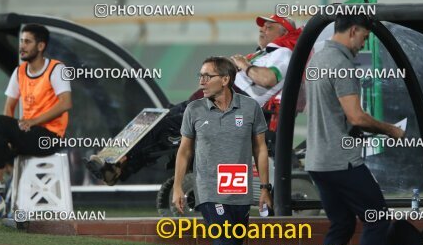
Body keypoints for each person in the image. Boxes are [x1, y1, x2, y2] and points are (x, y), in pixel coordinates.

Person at [87, 14, 301, 185]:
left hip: (233, 106)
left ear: (285, 33)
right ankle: (118, 164)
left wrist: (243, 65)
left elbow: (268, 78)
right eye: (263, 26)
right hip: (221, 99)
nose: (262, 29)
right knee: (159, 119)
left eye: (269, 26)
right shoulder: (264, 55)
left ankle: (117, 163)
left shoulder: (283, 54)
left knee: (165, 124)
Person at [305, 14, 405, 245]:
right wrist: (391, 130)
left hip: (317, 161)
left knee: (342, 224)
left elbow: (328, 111)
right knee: (378, 217)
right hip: (341, 161)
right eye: (364, 37)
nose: (363, 43)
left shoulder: (317, 60)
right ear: (352, 31)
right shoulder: (341, 64)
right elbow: (356, 117)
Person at [172, 56, 272, 245]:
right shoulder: (194, 109)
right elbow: (184, 151)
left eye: (208, 76)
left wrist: (265, 189)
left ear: (225, 80)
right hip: (209, 192)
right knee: (225, 242)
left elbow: (260, 149)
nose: (202, 81)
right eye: (200, 76)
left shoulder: (251, 107)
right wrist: (178, 187)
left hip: (240, 191)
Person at [0, 24, 72, 194]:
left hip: (49, 138)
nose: (22, 46)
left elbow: (66, 103)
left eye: (27, 42)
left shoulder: (57, 69)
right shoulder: (19, 72)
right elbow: (9, 106)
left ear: (41, 46)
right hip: (27, 134)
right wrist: (5, 138)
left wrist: (33, 121)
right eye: (21, 41)